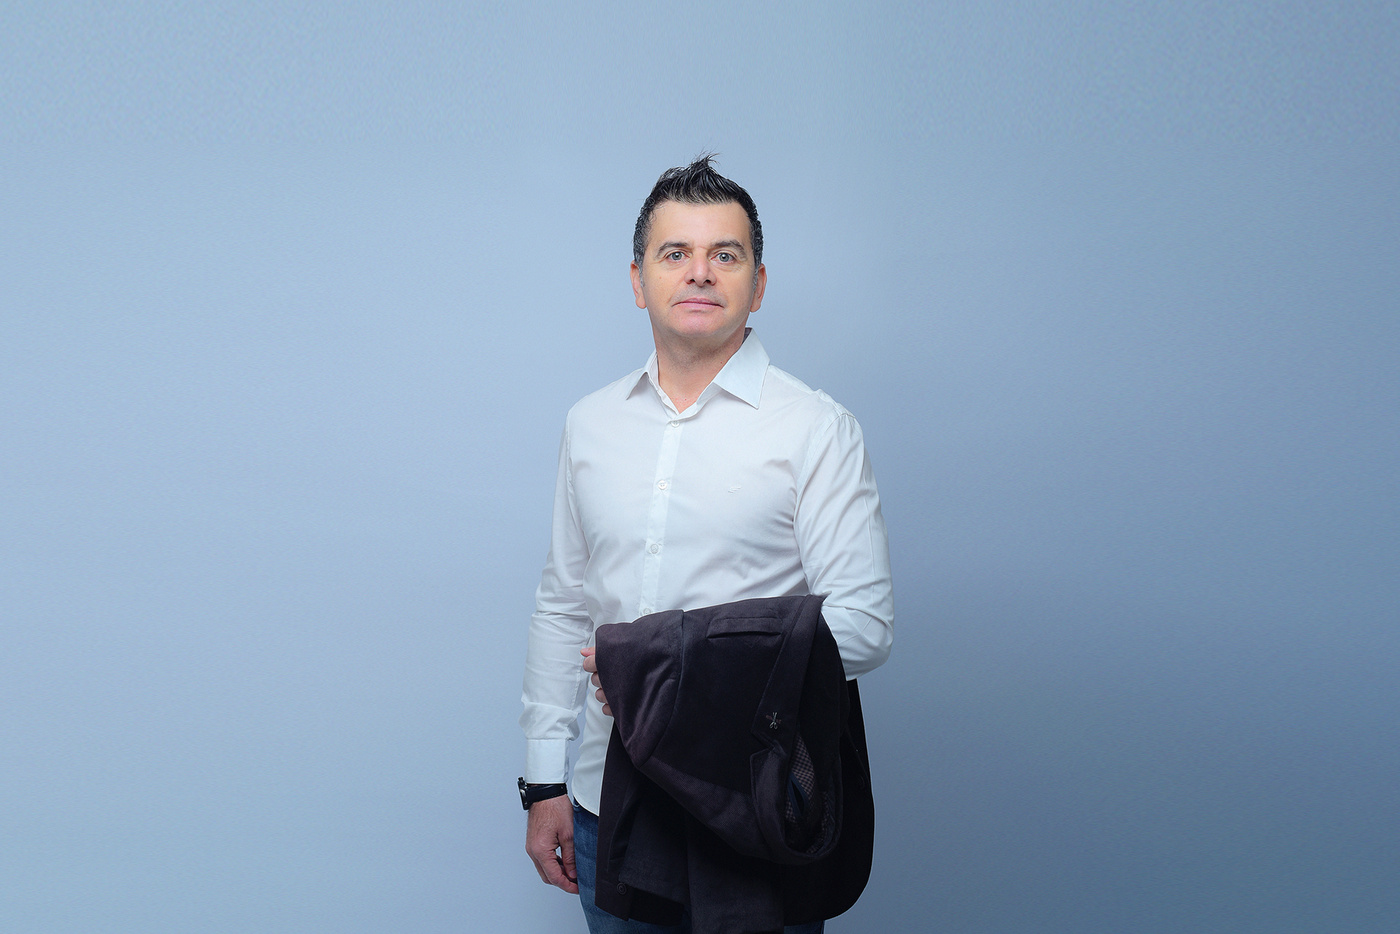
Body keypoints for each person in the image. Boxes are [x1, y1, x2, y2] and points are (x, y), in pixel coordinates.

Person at [519, 155, 894, 933]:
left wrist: (667, 664)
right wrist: (543, 781)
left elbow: (861, 630)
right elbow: (563, 604)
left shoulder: (816, 429)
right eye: (675, 253)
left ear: (758, 285)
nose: (699, 272)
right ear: (637, 281)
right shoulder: (590, 424)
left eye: (726, 254)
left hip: (751, 809)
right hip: (604, 805)